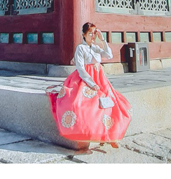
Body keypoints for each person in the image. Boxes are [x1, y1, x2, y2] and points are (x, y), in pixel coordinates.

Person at [48, 22, 131, 150]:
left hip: (100, 79)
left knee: (110, 103)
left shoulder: (96, 47)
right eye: (90, 33)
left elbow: (109, 55)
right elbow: (80, 68)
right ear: (83, 35)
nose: (92, 36)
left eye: (94, 33)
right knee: (87, 105)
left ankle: (109, 136)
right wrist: (91, 84)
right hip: (85, 79)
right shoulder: (80, 48)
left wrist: (102, 39)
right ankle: (90, 139)